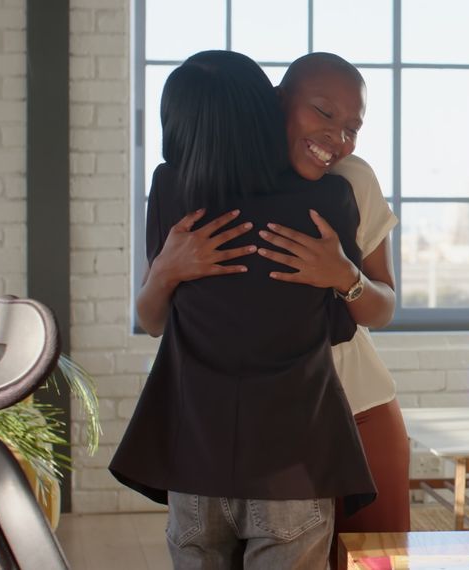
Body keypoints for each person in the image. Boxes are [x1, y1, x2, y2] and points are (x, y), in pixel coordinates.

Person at [109, 50, 375, 569]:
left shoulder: (171, 189)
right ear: (268, 106)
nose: (337, 134)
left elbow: (153, 321)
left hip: (195, 462)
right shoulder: (332, 199)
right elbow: (341, 328)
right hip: (293, 463)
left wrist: (166, 273)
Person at [274, 54, 410, 543]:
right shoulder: (226, 177)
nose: (338, 136)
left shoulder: (355, 178)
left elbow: (385, 304)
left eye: (352, 126)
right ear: (279, 100)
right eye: (323, 112)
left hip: (363, 411)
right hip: (272, 426)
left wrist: (344, 276)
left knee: (378, 560)